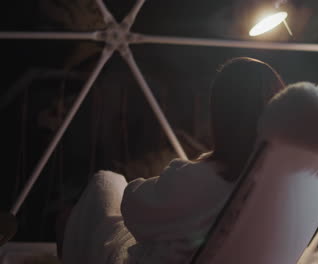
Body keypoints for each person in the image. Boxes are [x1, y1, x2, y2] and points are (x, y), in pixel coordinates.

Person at [61, 57, 285, 263]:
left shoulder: (201, 178)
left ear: (220, 115)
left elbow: (134, 211)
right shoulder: (284, 184)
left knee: (106, 182)